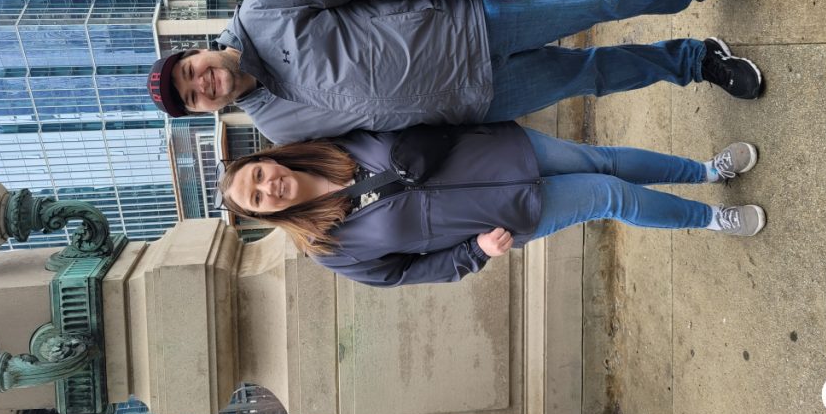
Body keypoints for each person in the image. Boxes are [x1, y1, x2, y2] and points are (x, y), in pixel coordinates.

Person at [148, 0, 775, 143]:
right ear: (206, 112)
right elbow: (373, 145)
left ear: (198, 52)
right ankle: (696, 62)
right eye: (193, 98)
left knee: (596, 0)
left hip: (471, 21)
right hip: (475, 98)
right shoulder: (279, 131)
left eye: (192, 72)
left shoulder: (262, 7)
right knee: (594, 76)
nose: (203, 85)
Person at [218, 122, 765, 287]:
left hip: (501, 152)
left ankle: (705, 172)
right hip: (503, 219)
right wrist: (474, 254)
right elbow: (409, 274)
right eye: (257, 199)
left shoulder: (334, 141)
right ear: (265, 216)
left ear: (270, 160)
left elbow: (408, 118)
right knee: (608, 195)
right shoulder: (331, 250)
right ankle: (713, 217)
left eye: (259, 175)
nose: (269, 188)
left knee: (608, 161)